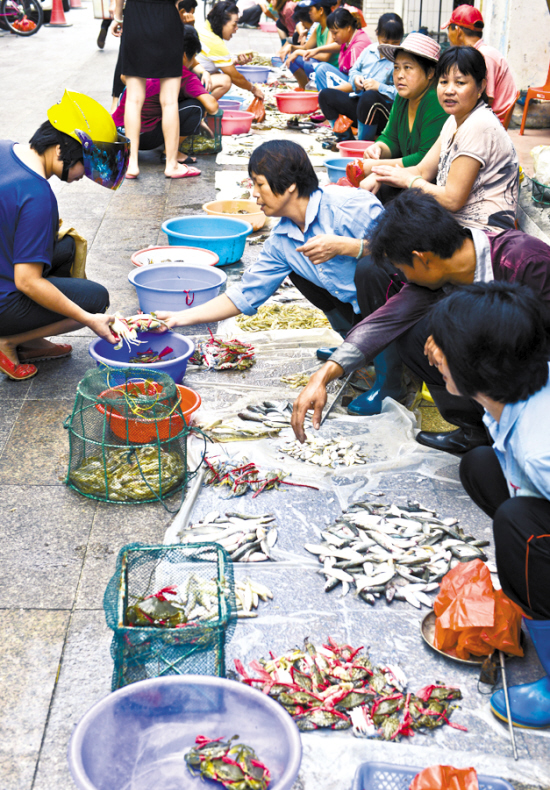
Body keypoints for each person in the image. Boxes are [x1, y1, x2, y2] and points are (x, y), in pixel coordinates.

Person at [290, 191, 550, 447]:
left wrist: (457, 340)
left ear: (421, 258)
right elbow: (384, 323)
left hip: (536, 380)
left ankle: (514, 435)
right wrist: (323, 376)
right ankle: (475, 432)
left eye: (402, 268)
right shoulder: (439, 275)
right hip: (500, 371)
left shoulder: (526, 261)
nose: (404, 277)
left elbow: (537, 343)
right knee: (415, 338)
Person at [426, 282, 550, 729]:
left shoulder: (542, 447)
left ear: (478, 365)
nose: (432, 353)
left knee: (519, 527)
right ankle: (533, 595)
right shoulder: (512, 392)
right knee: (480, 465)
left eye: (442, 348)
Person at [154, 139, 383, 345]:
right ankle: (354, 341)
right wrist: (179, 317)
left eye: (259, 184)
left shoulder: (350, 206)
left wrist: (353, 247)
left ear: (290, 183)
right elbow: (246, 293)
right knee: (298, 269)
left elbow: (408, 250)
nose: (254, 194)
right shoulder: (282, 240)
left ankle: (389, 371)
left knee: (369, 267)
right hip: (355, 308)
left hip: (393, 306)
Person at [0, 91, 127, 381]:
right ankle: (7, 341)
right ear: (60, 149)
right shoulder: (37, 195)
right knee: (95, 299)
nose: (88, 172)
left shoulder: (6, 149)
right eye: (87, 161)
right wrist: (89, 320)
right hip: (3, 299)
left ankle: (30, 343)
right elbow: (26, 281)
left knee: (67, 246)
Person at [370, 46, 519, 231]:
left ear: (481, 86)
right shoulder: (453, 121)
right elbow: (422, 170)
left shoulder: (479, 125)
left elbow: (452, 199)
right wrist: (381, 176)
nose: (449, 90)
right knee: (387, 201)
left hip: (480, 233)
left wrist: (406, 180)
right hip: (452, 220)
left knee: (393, 230)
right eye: (444, 82)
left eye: (460, 83)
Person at [112, 0, 197, 179]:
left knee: (134, 99)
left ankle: (132, 163)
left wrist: (118, 17)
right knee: (169, 101)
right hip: (167, 19)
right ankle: (171, 164)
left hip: (135, 17)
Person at [356, 33, 447, 199]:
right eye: (396, 67)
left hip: (429, 188)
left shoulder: (435, 101)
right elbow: (391, 138)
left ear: (430, 73)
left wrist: (375, 166)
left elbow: (424, 159)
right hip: (407, 177)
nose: (399, 75)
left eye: (408, 68)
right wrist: (379, 149)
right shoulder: (403, 97)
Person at [112, 26, 218, 166]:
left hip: (118, 133)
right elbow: (212, 106)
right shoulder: (185, 75)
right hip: (144, 139)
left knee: (133, 91)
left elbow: (123, 77)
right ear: (186, 56)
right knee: (196, 106)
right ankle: (171, 153)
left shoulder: (148, 58)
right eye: (194, 58)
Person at [318, 12, 402, 143]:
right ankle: (345, 139)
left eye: (395, 42)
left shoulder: (402, 60)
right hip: (360, 107)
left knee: (370, 96)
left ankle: (362, 144)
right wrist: (355, 79)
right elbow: (354, 70)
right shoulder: (369, 50)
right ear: (377, 34)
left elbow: (404, 94)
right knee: (325, 95)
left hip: (385, 116)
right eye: (385, 41)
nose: (389, 46)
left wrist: (379, 87)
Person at [441, 4, 517, 124]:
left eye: (448, 30)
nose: (448, 36)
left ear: (457, 31)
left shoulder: (484, 56)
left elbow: (487, 100)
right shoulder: (481, 53)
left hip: (491, 121)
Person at [196, 2, 264, 102]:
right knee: (225, 80)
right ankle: (201, 107)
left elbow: (214, 60)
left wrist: (235, 61)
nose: (236, 28)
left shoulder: (204, 28)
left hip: (190, 78)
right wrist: (253, 89)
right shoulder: (215, 42)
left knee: (218, 74)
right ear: (221, 22)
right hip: (188, 83)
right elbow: (236, 77)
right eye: (234, 24)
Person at [283, 0, 340, 90]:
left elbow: (325, 57)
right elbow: (306, 47)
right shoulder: (319, 27)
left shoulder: (331, 28)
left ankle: (316, 91)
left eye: (311, 10)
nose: (309, 13)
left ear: (321, 11)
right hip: (321, 65)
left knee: (308, 63)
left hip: (332, 69)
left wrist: (298, 52)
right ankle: (304, 89)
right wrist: (291, 47)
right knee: (291, 59)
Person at [311, 8, 371, 93]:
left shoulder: (357, 48)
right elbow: (339, 46)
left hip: (358, 89)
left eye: (335, 33)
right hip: (348, 80)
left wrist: (328, 91)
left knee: (322, 69)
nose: (333, 37)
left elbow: (357, 84)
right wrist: (317, 50)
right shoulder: (350, 38)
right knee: (320, 67)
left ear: (348, 28)